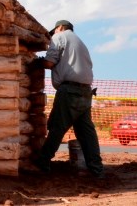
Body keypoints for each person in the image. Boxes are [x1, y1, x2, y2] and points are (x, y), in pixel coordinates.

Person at [32, 20, 104, 178]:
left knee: (57, 127)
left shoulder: (59, 37)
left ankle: (42, 164)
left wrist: (35, 63)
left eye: (55, 31)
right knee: (87, 133)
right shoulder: (81, 43)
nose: (54, 35)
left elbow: (50, 63)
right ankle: (97, 170)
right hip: (85, 91)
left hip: (69, 91)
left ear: (59, 28)